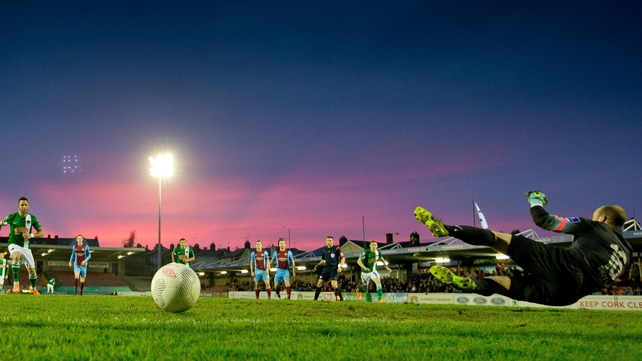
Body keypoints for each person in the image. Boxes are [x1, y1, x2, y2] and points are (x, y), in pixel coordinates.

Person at [415, 190, 633, 307]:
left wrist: (535, 200)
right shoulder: (628, 254)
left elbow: (544, 221)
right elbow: (622, 280)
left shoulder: (594, 227)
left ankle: (447, 229)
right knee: (504, 285)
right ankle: (472, 284)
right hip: (569, 296)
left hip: (567, 266)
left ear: (603, 218)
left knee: (500, 239)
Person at [0, 197, 44, 295]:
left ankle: (32, 287)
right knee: (16, 256)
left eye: (25, 205)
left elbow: (41, 233)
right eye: (22, 205)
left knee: (32, 272)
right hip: (13, 243)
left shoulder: (32, 218)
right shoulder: (11, 217)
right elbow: (1, 223)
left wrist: (31, 235)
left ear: (28, 206)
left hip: (26, 247)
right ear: (18, 206)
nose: (24, 207)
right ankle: (16, 284)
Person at [313, 236, 346, 301]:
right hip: (326, 269)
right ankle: (315, 300)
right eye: (327, 240)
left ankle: (341, 300)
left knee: (334, 285)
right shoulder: (324, 250)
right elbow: (323, 260)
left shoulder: (337, 249)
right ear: (326, 241)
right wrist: (318, 265)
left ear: (333, 241)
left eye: (330, 240)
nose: (329, 242)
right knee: (319, 283)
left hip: (333, 269)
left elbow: (343, 258)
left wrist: (340, 266)